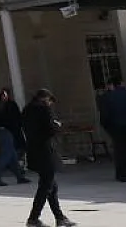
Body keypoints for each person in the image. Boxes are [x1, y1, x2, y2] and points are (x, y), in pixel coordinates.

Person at [22, 89, 75, 227]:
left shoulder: (27, 110)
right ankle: (33, 218)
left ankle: (59, 217)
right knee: (46, 185)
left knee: (51, 184)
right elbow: (49, 129)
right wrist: (57, 126)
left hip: (33, 150)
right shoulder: (43, 109)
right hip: (45, 150)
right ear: (46, 99)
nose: (50, 105)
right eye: (50, 102)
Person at [0, 89, 31, 186]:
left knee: (12, 155)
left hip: (9, 130)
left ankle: (19, 176)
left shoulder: (9, 105)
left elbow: (17, 118)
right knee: (7, 153)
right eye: (2, 95)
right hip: (4, 131)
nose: (4, 97)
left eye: (5, 95)